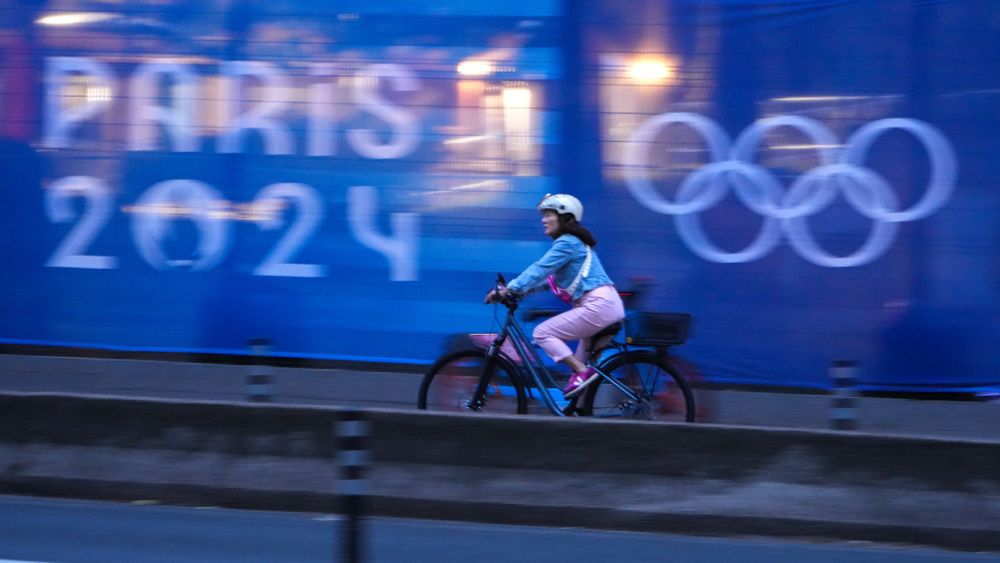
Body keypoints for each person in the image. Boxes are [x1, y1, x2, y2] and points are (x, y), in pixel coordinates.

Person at [484, 194, 625, 397]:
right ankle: (579, 411)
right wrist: (516, 293)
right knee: (579, 387)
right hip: (605, 306)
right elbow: (545, 282)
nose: (543, 220)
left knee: (542, 333)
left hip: (598, 306)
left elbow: (539, 269)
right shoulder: (573, 246)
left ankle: (581, 371)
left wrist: (510, 289)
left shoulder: (567, 243)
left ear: (565, 217)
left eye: (549, 214)